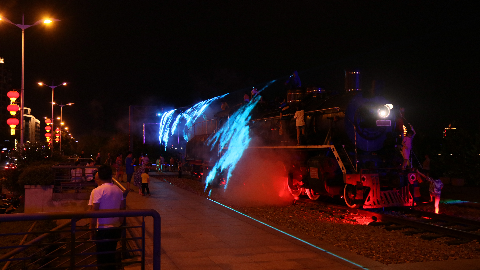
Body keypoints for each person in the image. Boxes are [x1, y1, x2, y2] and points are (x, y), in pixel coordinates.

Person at [88, 165, 125, 270]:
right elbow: (122, 209)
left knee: (101, 259)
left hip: (102, 229)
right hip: (115, 227)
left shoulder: (97, 191)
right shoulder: (118, 190)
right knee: (111, 256)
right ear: (111, 175)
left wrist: (92, 230)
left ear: (99, 176)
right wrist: (121, 225)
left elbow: (93, 213)